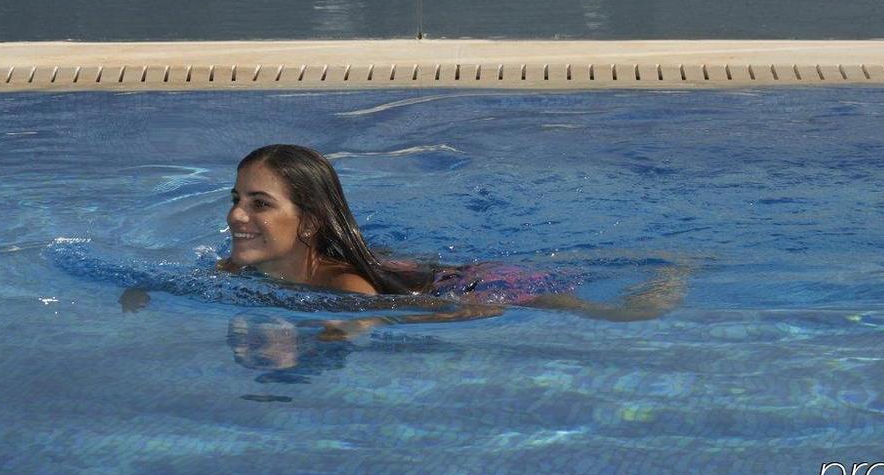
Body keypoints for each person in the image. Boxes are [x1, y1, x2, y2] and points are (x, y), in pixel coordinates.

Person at [120, 143, 689, 338]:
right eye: (236, 198)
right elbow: (181, 284)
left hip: (479, 288)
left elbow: (360, 320)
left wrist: (337, 336)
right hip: (407, 271)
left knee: (595, 312)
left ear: (310, 222)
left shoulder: (343, 284)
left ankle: (672, 273)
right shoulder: (238, 268)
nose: (235, 215)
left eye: (259, 203)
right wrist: (142, 294)